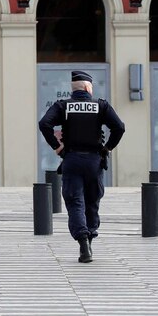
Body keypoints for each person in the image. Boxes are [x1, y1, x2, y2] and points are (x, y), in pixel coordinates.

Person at [39, 70, 125, 263]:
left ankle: (83, 243)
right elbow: (119, 127)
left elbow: (44, 124)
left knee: (75, 202)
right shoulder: (100, 106)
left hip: (71, 160)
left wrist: (57, 147)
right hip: (94, 161)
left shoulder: (63, 106)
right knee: (92, 202)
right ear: (88, 88)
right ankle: (90, 238)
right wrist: (107, 148)